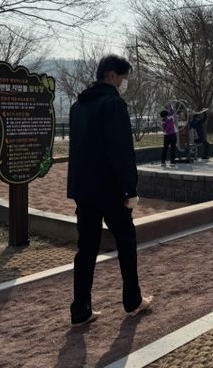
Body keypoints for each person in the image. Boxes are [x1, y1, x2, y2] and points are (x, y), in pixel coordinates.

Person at [67, 54, 153, 327]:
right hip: (111, 189)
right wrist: (130, 188)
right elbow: (121, 151)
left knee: (86, 248)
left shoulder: (78, 106)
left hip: (84, 190)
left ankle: (80, 310)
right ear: (112, 75)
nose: (124, 83)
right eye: (124, 77)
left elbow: (76, 150)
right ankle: (132, 300)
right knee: (126, 242)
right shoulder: (113, 104)